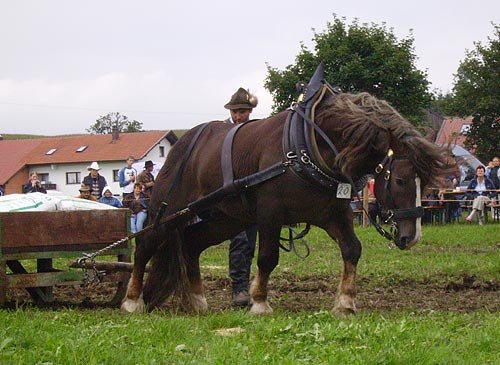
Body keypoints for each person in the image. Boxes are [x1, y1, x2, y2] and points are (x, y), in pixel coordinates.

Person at [224, 87, 259, 307]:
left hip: (252, 197)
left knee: (249, 243)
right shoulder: (224, 136)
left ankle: (244, 287)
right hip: (230, 197)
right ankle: (239, 289)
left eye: (243, 112)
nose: (238, 116)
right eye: (235, 112)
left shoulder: (255, 133)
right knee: (239, 240)